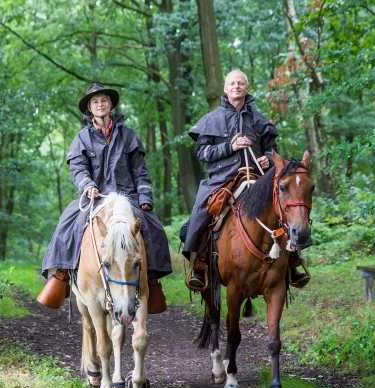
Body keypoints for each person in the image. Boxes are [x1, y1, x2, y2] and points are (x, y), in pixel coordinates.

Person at [38, 83, 172, 312]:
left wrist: (145, 197)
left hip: (127, 197)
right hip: (95, 197)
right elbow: (78, 169)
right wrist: (87, 185)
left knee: (154, 228)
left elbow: (140, 171)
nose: (100, 105)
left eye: (104, 100)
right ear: (90, 108)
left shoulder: (128, 136)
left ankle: (151, 279)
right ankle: (61, 276)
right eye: (95, 102)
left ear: (110, 105)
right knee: (67, 224)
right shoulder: (81, 138)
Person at [182, 70, 308, 289]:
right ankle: (199, 266)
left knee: (283, 207)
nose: (236, 86)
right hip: (222, 180)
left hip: (257, 179)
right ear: (225, 88)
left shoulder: (259, 120)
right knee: (200, 213)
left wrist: (267, 160)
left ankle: (293, 263)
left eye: (241, 83)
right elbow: (202, 153)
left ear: (247, 88)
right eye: (232, 83)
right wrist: (229, 147)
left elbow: (272, 151)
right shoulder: (211, 120)